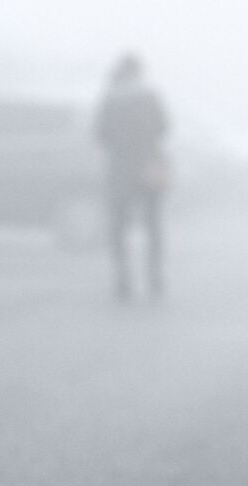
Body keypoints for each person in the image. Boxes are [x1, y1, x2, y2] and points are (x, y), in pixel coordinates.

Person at [94, 53, 169, 301]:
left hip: (120, 170)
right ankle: (154, 278)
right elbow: (165, 127)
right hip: (149, 167)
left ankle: (123, 280)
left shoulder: (111, 99)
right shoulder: (150, 97)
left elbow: (99, 134)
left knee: (119, 228)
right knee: (153, 225)